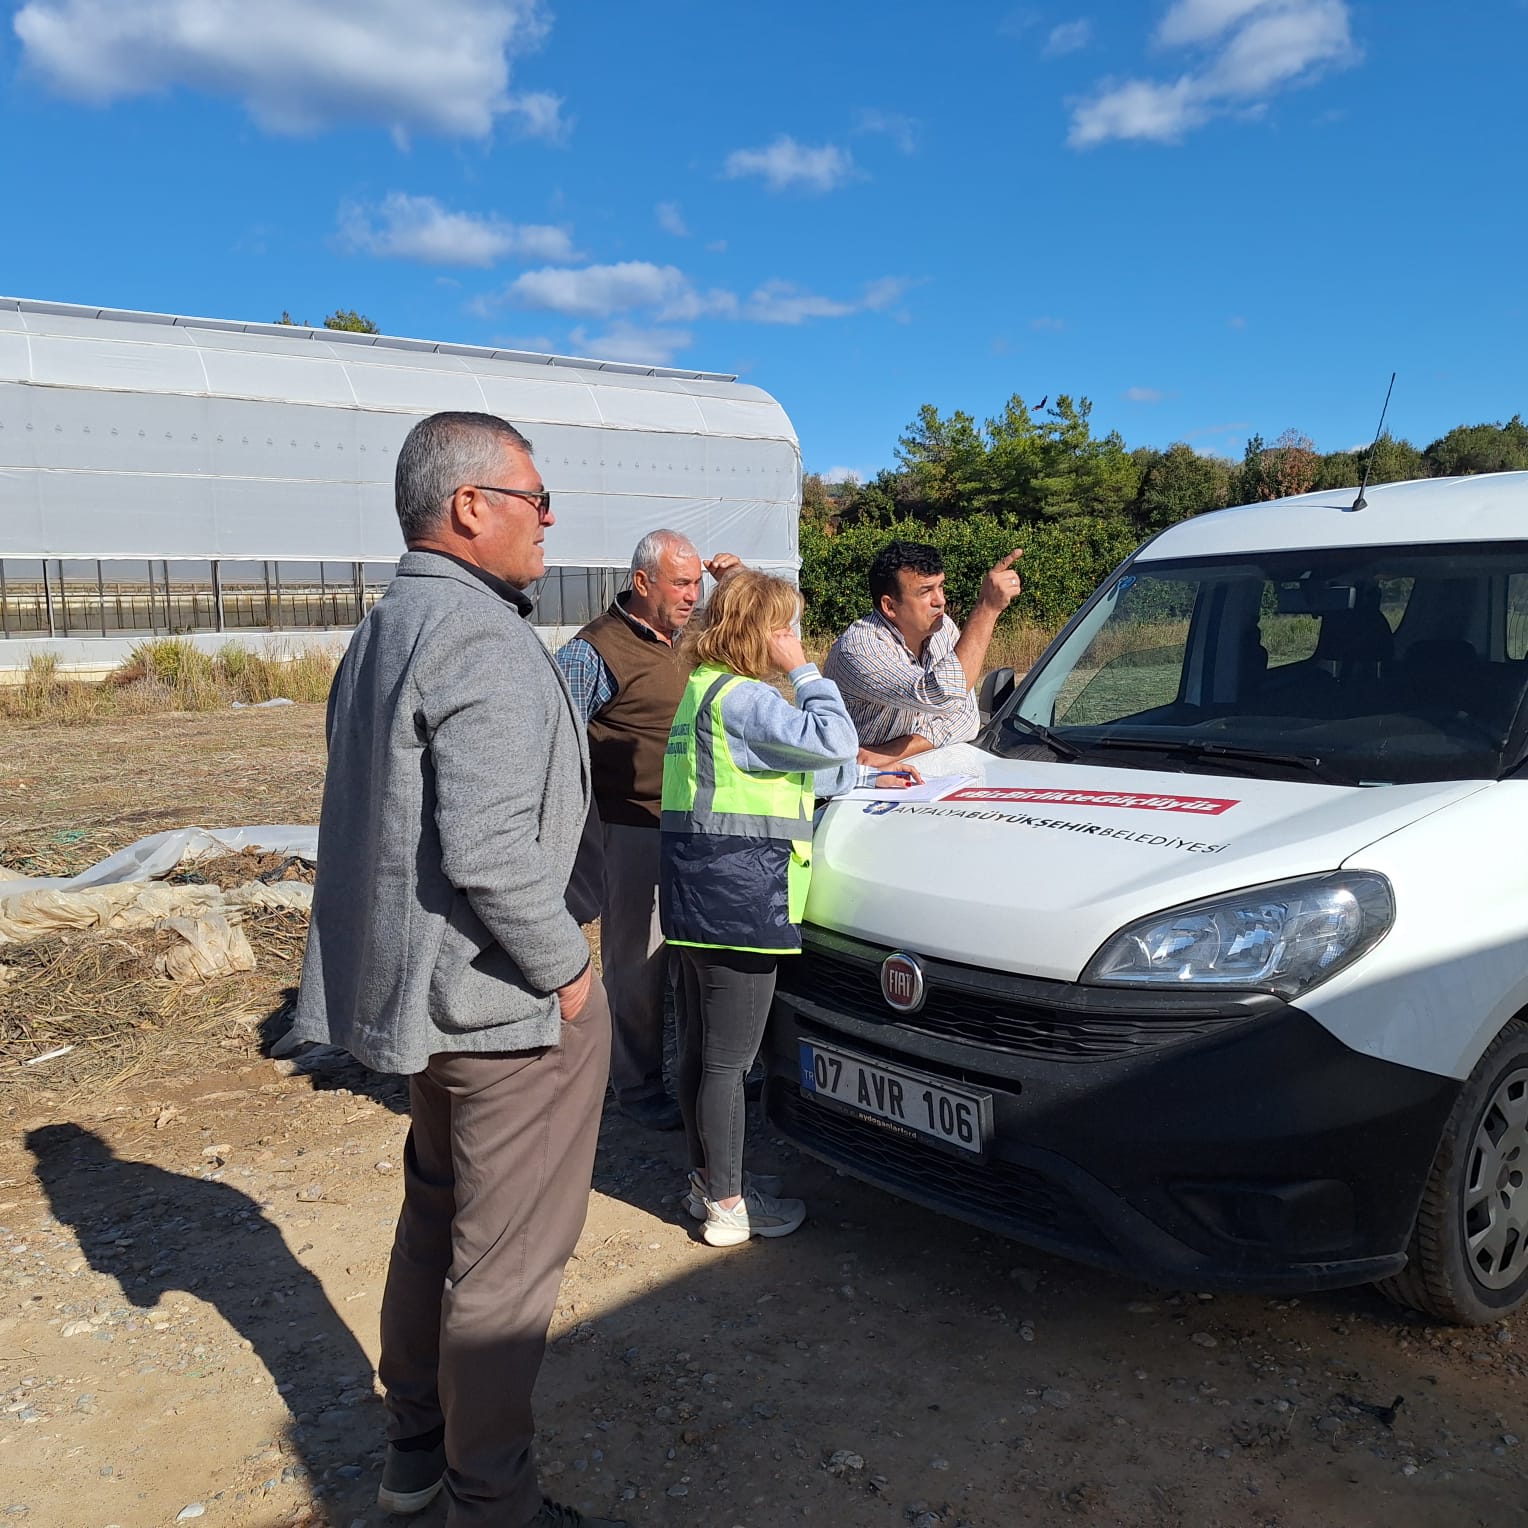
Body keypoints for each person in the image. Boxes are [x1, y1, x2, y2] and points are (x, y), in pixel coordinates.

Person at [288, 411, 625, 1528]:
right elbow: (486, 848)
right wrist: (564, 974)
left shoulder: (392, 624)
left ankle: (416, 1456)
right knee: (505, 1270)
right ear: (469, 507)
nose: (550, 517)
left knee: (434, 1224)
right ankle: (495, 1502)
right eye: (534, 497)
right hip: (502, 1010)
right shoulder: (478, 636)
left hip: (429, 1008)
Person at [659, 569, 918, 1247]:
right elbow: (828, 738)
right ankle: (729, 1206)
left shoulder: (703, 692)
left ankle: (707, 1181)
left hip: (695, 897)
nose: (793, 638)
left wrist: (867, 774)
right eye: (786, 626)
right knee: (727, 1063)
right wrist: (804, 670)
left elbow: (790, 762)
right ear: (762, 631)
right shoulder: (745, 696)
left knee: (699, 1052)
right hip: (740, 902)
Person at [556, 531, 738, 1132]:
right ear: (642, 583)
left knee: (695, 957)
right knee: (637, 962)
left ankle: (699, 1074)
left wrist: (735, 580)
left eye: (698, 584)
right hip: (632, 825)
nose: (694, 595)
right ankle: (634, 1087)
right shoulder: (595, 652)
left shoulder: (691, 639)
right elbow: (556, 741)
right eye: (682, 584)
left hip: (697, 823)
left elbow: (764, 624)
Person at [822, 539, 1024, 768]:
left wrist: (891, 752)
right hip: (849, 789)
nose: (940, 600)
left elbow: (966, 719)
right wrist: (987, 609)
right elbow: (944, 695)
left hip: (914, 777)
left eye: (941, 586)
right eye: (926, 591)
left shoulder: (942, 628)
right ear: (889, 606)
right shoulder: (859, 648)